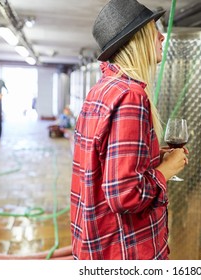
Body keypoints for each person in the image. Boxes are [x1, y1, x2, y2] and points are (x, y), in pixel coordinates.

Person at [70, 0, 188, 260]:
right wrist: (166, 170)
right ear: (136, 40)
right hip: (126, 251)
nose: (161, 36)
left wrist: (153, 158)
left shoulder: (101, 90)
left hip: (99, 244)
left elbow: (106, 169)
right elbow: (125, 195)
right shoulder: (131, 96)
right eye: (152, 30)